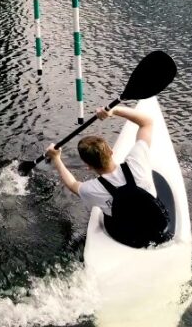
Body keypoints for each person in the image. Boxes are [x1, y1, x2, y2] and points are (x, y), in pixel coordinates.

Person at [44, 105, 171, 248]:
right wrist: (114, 111)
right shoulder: (137, 161)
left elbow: (72, 184)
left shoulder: (91, 189)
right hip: (158, 229)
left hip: (129, 239)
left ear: (88, 166)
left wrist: (56, 159)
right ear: (111, 151)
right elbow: (146, 122)